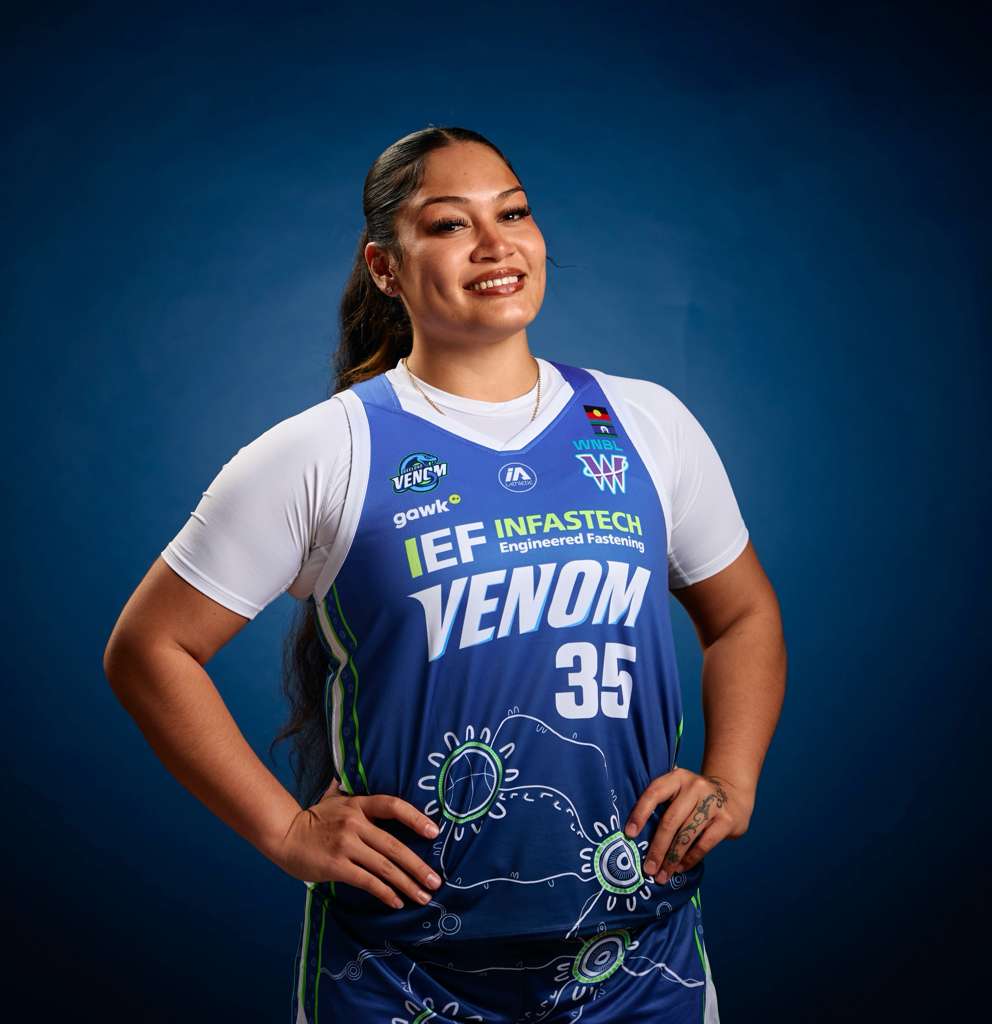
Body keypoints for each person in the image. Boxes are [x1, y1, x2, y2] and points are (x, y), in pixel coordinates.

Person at [104, 126, 787, 1024]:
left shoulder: (643, 423)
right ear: (386, 268)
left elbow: (743, 618)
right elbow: (148, 648)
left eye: (513, 213)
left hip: (637, 963)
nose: (497, 245)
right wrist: (285, 829)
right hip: (398, 976)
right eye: (450, 225)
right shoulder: (327, 451)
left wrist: (731, 780)